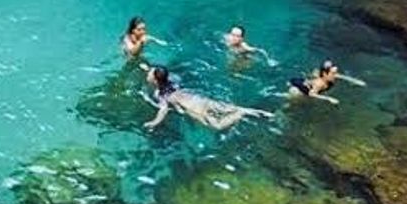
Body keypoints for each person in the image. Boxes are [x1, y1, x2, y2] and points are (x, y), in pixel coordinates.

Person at [142, 65, 274, 131]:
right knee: (229, 108)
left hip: (194, 109)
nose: (148, 74)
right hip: (200, 99)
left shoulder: (160, 94)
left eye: (149, 74)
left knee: (217, 126)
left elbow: (163, 110)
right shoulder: (172, 81)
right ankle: (263, 113)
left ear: (154, 80)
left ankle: (240, 114)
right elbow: (163, 75)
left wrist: (154, 122)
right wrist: (147, 68)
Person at [285, 60, 363, 104]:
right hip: (299, 87)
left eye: (335, 73)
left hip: (309, 82)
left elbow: (342, 76)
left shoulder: (330, 76)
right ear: (325, 74)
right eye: (333, 73)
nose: (335, 75)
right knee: (294, 100)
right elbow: (311, 94)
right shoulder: (319, 84)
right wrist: (329, 99)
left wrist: (355, 81)